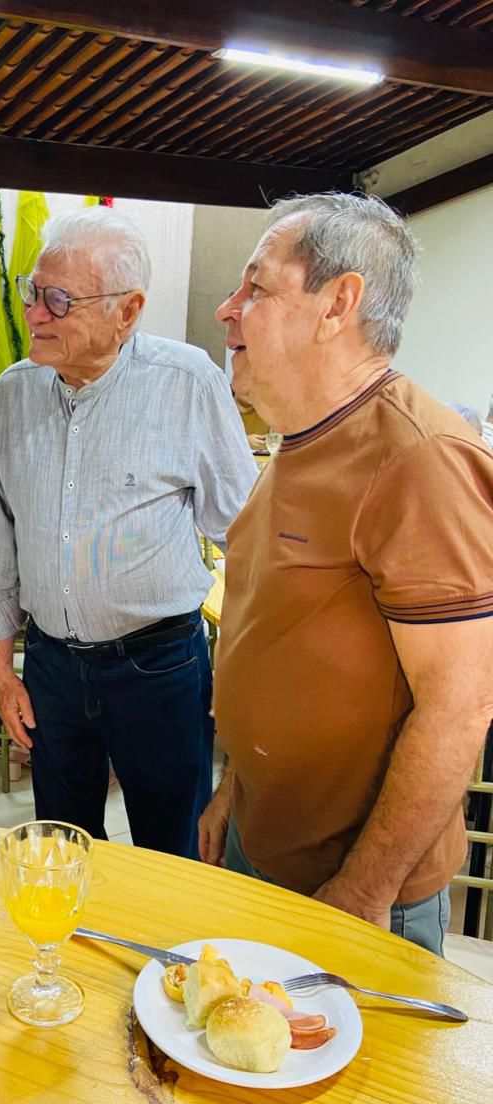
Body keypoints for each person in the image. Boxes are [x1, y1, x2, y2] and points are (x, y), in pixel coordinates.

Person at [201, 192, 493, 955]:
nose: (228, 310)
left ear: (338, 304)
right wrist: (234, 790)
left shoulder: (420, 457)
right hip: (264, 843)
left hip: (355, 886)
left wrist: (365, 889)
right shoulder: (299, 438)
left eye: (255, 287)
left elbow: (461, 707)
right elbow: (277, 639)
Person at [0, 207, 257, 858]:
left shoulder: (187, 383)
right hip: (51, 666)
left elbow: (247, 536)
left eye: (59, 300)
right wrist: (2, 665)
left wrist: (243, 672)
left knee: (171, 850)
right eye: (32, 291)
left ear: (127, 311)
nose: (35, 314)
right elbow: (4, 530)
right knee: (61, 847)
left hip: (158, 664)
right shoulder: (16, 390)